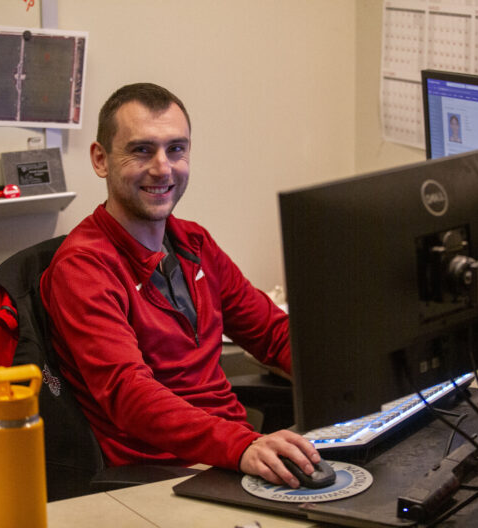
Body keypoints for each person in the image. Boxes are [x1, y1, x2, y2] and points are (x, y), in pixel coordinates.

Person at [40, 83, 321, 489]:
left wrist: (354, 387)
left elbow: (272, 334)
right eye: (141, 150)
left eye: (176, 149)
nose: (163, 168)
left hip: (233, 457)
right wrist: (241, 445)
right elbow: (129, 394)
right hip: (162, 476)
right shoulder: (83, 267)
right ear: (101, 159)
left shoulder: (194, 242)